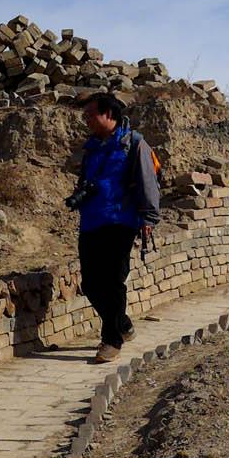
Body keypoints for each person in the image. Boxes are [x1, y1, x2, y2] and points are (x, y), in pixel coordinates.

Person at [65, 92, 162, 363]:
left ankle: (111, 340)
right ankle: (123, 323)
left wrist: (149, 219)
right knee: (91, 285)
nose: (87, 121)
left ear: (109, 114)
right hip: (92, 221)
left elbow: (147, 183)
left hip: (122, 221)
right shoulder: (91, 148)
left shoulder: (135, 144)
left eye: (91, 115)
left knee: (113, 281)